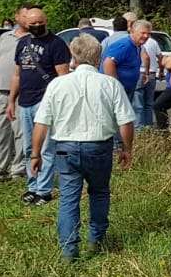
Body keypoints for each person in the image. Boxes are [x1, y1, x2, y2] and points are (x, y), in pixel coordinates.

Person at [32, 35, 135, 261]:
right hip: (99, 147)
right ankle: (95, 240)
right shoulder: (110, 84)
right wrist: (127, 149)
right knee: (99, 193)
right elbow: (126, 122)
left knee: (69, 198)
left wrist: (35, 154)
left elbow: (42, 123)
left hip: (65, 148)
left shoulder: (57, 84)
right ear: (98, 57)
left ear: (73, 56)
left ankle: (69, 250)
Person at [9, 6, 71, 205]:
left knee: (45, 148)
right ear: (26, 23)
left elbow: (63, 76)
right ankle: (32, 185)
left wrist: (60, 103)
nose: (36, 26)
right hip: (25, 101)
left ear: (45, 21)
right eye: (32, 23)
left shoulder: (57, 44)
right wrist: (11, 100)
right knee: (29, 147)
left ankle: (44, 190)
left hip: (46, 102)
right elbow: (18, 74)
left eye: (39, 22)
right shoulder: (22, 44)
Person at [0, 6, 28, 184]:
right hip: (1, 93)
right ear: (17, 16)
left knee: (21, 133)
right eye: (24, 15)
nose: (28, 19)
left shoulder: (35, 39)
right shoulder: (5, 37)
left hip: (24, 94)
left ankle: (18, 171)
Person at [102, 19, 149, 98]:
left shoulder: (137, 46)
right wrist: (116, 86)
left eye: (148, 34)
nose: (146, 36)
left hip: (127, 90)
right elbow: (108, 63)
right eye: (143, 33)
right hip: (116, 93)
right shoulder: (125, 45)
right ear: (133, 31)